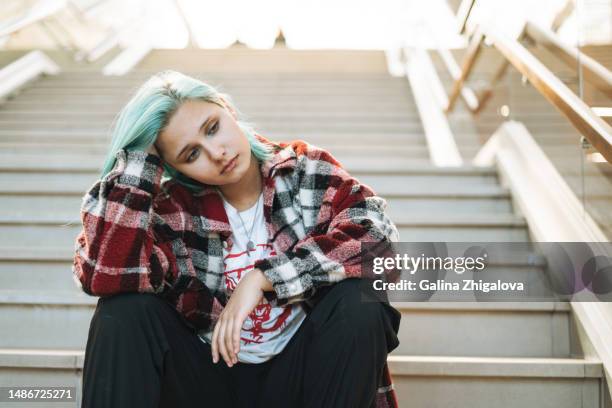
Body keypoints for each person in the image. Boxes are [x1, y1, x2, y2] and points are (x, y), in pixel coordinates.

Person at [72, 69, 402, 408]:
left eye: (213, 128)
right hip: (211, 382)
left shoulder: (302, 170)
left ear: (227, 108)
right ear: (174, 168)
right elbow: (107, 274)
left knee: (361, 295)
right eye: (191, 154)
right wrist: (140, 163)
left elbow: (377, 239)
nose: (217, 153)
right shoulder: (172, 211)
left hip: (306, 379)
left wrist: (264, 278)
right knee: (124, 310)